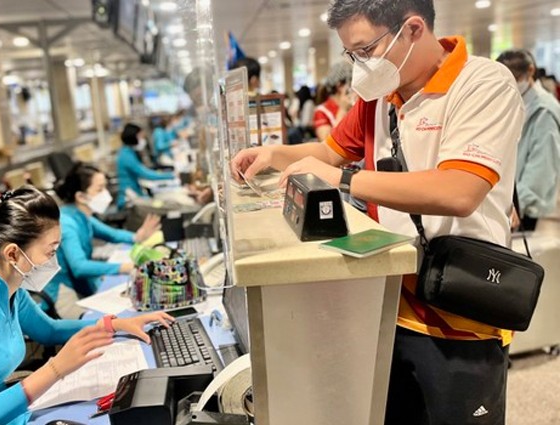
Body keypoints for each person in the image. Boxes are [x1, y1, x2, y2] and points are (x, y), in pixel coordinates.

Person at [231, 0, 523, 423]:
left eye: (365, 50)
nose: (359, 65)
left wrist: (345, 179)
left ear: (413, 29)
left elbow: (460, 190)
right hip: (386, 304)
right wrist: (273, 153)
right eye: (352, 55)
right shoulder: (380, 98)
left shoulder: (482, 84)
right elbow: (329, 152)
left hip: (460, 310)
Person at [0, 186, 173, 425]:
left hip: (1, 410)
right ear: (13, 253)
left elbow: (48, 330)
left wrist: (113, 324)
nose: (54, 260)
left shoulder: (7, 284)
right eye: (50, 251)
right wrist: (56, 368)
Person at [48, 163, 162, 312]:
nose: (106, 194)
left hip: (79, 286)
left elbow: (112, 234)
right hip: (63, 295)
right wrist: (123, 267)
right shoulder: (67, 223)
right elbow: (79, 267)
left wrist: (137, 237)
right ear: (81, 196)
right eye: (100, 189)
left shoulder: (81, 215)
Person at [497, 50, 560, 231]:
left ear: (530, 71)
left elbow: (543, 166)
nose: (511, 83)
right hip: (508, 200)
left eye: (515, 77)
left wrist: (518, 205)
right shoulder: (513, 101)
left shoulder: (544, 110)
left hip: (523, 208)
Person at [116, 123, 175, 209]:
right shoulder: (126, 156)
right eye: (140, 136)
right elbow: (145, 174)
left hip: (137, 193)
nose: (142, 139)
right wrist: (171, 176)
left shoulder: (129, 152)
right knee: (165, 206)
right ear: (133, 137)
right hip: (129, 198)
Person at [313, 61, 355, 142]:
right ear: (339, 86)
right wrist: (342, 110)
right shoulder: (321, 111)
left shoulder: (353, 105)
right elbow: (326, 141)